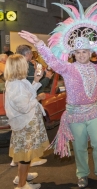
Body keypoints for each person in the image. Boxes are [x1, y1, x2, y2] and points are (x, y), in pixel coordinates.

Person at [19, 0, 97, 188]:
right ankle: (82, 174)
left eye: (85, 51)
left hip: (94, 112)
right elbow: (52, 61)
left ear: (90, 52)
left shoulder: (96, 68)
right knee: (80, 147)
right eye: (78, 52)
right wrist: (39, 44)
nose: (82, 54)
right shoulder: (67, 68)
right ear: (74, 53)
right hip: (75, 114)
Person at [4, 54, 49, 189]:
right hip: (26, 123)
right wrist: (38, 99)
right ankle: (22, 185)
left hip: (26, 122)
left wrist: (36, 80)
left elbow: (28, 93)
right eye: (25, 63)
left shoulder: (17, 81)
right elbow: (24, 107)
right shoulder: (16, 84)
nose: (28, 65)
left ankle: (22, 177)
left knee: (25, 153)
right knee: (25, 155)